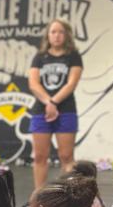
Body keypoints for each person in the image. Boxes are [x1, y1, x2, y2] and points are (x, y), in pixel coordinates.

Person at [27, 18, 84, 188]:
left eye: (60, 32)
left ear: (66, 35)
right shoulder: (39, 57)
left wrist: (53, 102)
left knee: (66, 156)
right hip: (41, 111)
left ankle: (68, 195)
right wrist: (48, 103)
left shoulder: (73, 56)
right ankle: (39, 194)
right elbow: (33, 83)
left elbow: (71, 84)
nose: (57, 35)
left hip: (66, 110)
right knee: (39, 156)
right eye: (53, 32)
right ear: (48, 36)